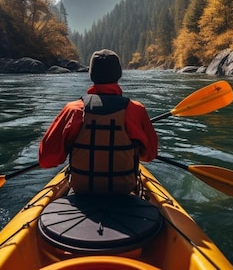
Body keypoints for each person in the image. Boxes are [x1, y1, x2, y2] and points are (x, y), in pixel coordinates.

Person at [39, 49, 158, 195]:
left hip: (81, 194)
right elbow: (149, 155)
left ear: (91, 75)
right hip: (124, 193)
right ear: (118, 75)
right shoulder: (136, 110)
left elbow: (46, 159)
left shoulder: (73, 109)